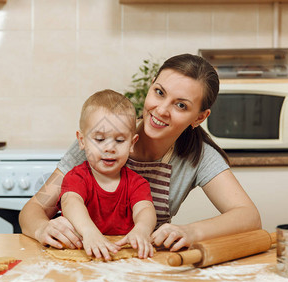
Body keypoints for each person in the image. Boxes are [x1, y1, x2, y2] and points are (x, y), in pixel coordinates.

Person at [20, 53, 262, 253]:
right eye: (159, 92)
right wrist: (42, 229)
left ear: (199, 117)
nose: (162, 110)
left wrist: (190, 231)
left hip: (141, 263)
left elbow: (249, 217)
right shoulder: (101, 138)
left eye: (181, 105)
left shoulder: (199, 155)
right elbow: (33, 210)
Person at [59, 89, 156, 261]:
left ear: (132, 144)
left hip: (122, 258)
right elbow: (71, 202)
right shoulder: (76, 177)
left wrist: (142, 229)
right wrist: (89, 232)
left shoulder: (137, 183)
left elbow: (145, 209)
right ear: (82, 141)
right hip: (81, 256)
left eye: (119, 140)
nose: (109, 148)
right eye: (99, 139)